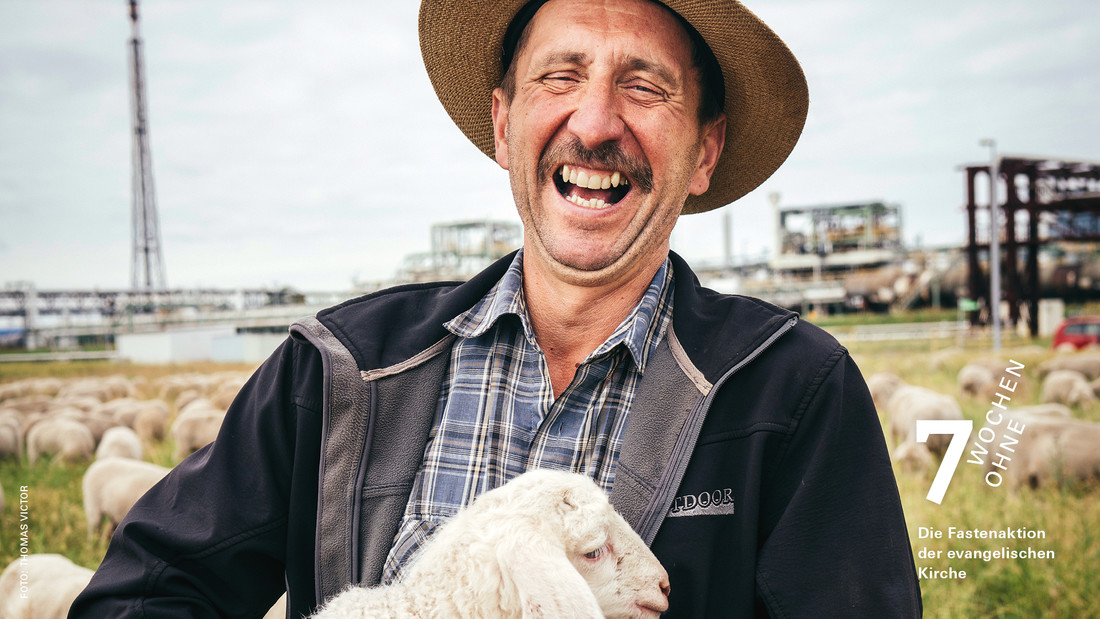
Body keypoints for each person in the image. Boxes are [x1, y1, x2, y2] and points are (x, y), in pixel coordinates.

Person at [71, 0, 922, 616]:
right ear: (505, 122)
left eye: (644, 85)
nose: (595, 121)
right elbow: (146, 593)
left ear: (704, 149)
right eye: (561, 74)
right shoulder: (337, 369)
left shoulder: (794, 394)